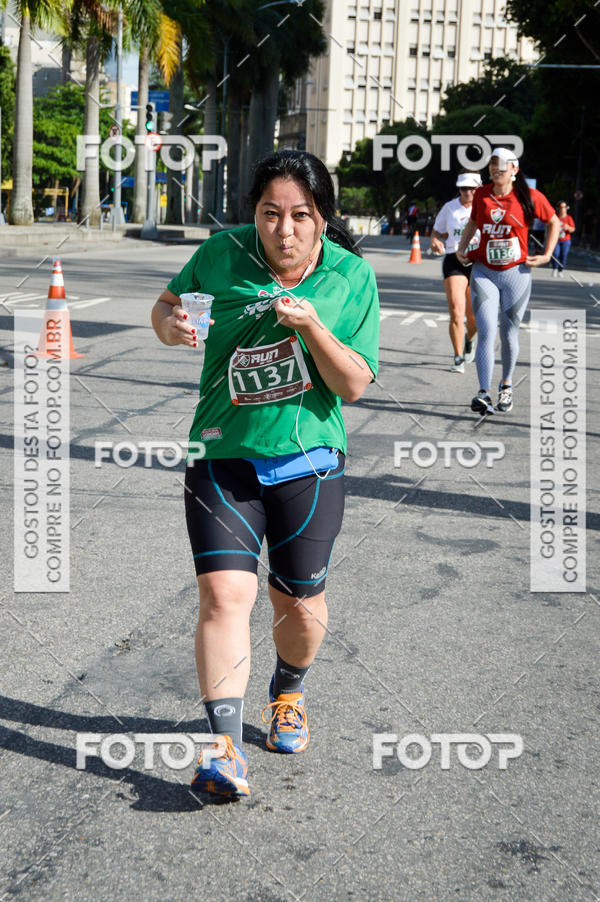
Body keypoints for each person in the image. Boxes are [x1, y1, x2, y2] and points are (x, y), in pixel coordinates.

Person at [151, 150, 380, 798]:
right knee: (225, 597)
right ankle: (222, 748)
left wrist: (312, 329)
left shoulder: (349, 277)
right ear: (252, 213)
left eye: (301, 216)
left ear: (322, 219)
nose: (284, 230)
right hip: (222, 456)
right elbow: (168, 310)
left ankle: (288, 688)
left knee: (299, 604)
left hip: (307, 462)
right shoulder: (222, 255)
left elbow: (355, 384)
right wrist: (171, 326)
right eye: (270, 214)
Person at [456, 147, 560, 415]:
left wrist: (547, 255)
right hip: (484, 270)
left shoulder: (529, 196)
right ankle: (483, 393)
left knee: (508, 332)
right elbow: (474, 223)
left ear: (514, 170)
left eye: (500, 165)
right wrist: (462, 247)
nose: (494, 169)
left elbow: (554, 222)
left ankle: (506, 385)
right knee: (487, 330)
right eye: (491, 165)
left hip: (517, 273)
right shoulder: (482, 194)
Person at [430, 172, 482, 373]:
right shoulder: (450, 208)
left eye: (472, 188)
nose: (467, 192)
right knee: (456, 310)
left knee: (474, 319)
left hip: (478, 261)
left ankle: (469, 339)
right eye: (463, 188)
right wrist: (435, 241)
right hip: (454, 260)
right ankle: (458, 357)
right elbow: (437, 232)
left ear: (479, 188)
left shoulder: (487, 207)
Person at [551, 201, 575, 278]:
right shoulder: (555, 217)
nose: (563, 209)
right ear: (558, 208)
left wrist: (568, 227)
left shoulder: (569, 218)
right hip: (556, 240)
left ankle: (560, 270)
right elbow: (549, 226)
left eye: (564, 207)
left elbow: (573, 229)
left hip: (566, 240)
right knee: (555, 254)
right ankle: (554, 268)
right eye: (561, 207)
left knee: (563, 255)